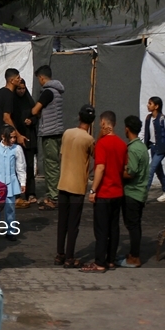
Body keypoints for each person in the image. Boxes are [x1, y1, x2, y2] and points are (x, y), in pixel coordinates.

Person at [82, 110, 127, 273]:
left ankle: (100, 262)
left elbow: (100, 167)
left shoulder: (102, 144)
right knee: (114, 228)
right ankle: (111, 259)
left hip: (104, 192)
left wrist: (93, 189)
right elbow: (124, 168)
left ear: (103, 123)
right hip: (118, 191)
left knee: (101, 229)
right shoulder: (122, 144)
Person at [55, 105, 95, 268]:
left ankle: (60, 254)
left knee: (62, 222)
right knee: (73, 224)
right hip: (78, 186)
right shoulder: (89, 139)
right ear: (92, 122)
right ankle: (70, 257)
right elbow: (96, 157)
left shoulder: (67, 133)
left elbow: (62, 155)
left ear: (79, 117)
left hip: (63, 182)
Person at [31, 65, 64, 210]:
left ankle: (53, 197)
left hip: (49, 133)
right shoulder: (57, 91)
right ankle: (54, 194)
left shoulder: (47, 92)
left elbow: (35, 110)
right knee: (55, 164)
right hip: (57, 131)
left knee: (51, 165)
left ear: (41, 78)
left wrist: (35, 114)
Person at [120, 115, 149, 268]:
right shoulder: (143, 147)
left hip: (132, 193)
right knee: (135, 225)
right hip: (141, 192)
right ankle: (133, 254)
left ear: (127, 129)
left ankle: (135, 257)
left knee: (132, 226)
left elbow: (130, 173)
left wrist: (117, 172)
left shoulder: (132, 149)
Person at [0, 125, 25, 240]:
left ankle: (10, 230)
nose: (13, 140)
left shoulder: (17, 149)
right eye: (10, 137)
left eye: (14, 137)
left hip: (10, 182)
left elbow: (20, 166)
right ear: (3, 136)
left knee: (10, 207)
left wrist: (22, 182)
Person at [144, 96, 165, 202]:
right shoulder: (148, 118)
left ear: (156, 106)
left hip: (161, 149)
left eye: (150, 103)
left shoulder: (163, 118)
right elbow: (145, 133)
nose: (148, 105)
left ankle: (142, 196)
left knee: (150, 170)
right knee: (158, 171)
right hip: (153, 147)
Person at [13, 80, 37, 206]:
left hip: (28, 137)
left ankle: (31, 192)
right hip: (16, 138)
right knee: (15, 167)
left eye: (23, 88)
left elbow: (36, 115)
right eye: (19, 89)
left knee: (29, 165)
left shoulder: (29, 101)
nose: (21, 91)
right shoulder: (13, 102)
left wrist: (31, 121)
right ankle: (16, 193)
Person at [0, 69, 25, 144]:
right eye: (18, 78)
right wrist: (18, 135)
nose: (20, 80)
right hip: (7, 137)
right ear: (12, 80)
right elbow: (6, 118)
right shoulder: (9, 95)